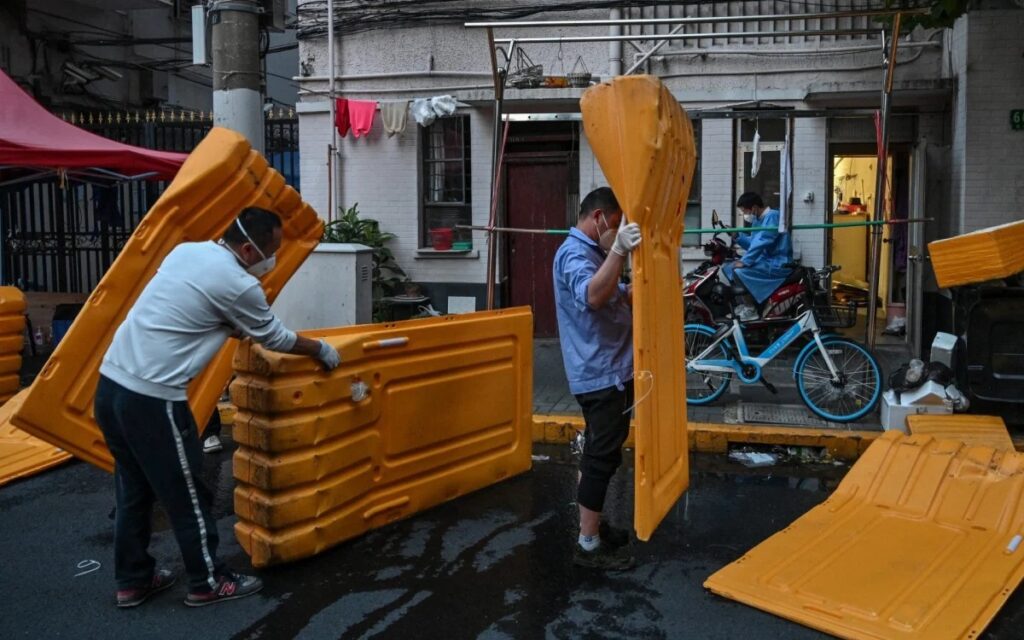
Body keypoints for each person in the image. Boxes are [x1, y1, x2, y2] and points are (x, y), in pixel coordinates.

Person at [94, 207, 341, 608]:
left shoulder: (186, 253)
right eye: (270, 251)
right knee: (188, 493)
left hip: (110, 387)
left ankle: (133, 581)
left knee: (133, 491)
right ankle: (208, 582)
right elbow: (273, 337)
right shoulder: (238, 284)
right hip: (152, 400)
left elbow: (192, 310)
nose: (271, 260)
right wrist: (320, 349)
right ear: (247, 247)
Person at [552, 187, 641, 571]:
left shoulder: (592, 252)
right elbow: (591, 295)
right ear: (599, 217)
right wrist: (620, 251)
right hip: (599, 374)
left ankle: (596, 526)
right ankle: (587, 545)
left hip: (610, 371)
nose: (617, 230)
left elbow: (610, 291)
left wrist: (631, 289)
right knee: (601, 457)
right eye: (616, 224)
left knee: (599, 454)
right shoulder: (573, 253)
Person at [722, 192, 793, 321]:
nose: (744, 214)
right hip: (766, 260)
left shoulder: (773, 216)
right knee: (728, 268)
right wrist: (737, 236)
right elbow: (753, 243)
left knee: (739, 272)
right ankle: (745, 304)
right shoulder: (757, 220)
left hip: (778, 262)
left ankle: (751, 308)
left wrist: (745, 261)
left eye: (745, 210)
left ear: (754, 207)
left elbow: (763, 241)